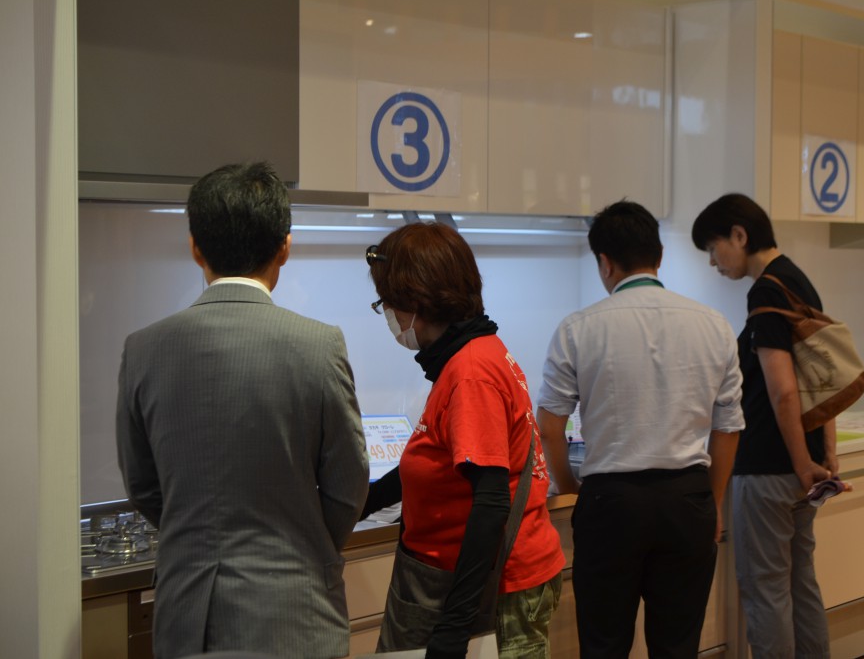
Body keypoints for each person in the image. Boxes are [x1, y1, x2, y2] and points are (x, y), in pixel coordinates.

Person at [116, 161, 370, 659]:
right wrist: (303, 548)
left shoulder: (143, 349)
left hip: (188, 616)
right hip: (297, 615)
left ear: (195, 247)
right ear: (285, 248)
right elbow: (348, 486)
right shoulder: (319, 346)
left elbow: (142, 486)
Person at [536, 200, 744, 659]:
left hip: (610, 503)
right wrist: (712, 501)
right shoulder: (714, 325)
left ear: (604, 263)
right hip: (688, 500)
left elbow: (549, 427)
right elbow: (728, 428)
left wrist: (571, 488)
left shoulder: (577, 328)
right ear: (659, 256)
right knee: (678, 646)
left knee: (604, 645)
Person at [362, 221, 565, 659]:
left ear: (415, 302)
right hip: (464, 577)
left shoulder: (470, 372)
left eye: (387, 303)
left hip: (496, 588)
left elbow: (490, 500)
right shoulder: (471, 354)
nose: (389, 315)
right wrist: (361, 503)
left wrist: (453, 628)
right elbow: (437, 462)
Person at [691, 192, 841, 659]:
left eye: (713, 248)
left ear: (739, 235)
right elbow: (824, 376)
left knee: (766, 589)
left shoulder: (767, 291)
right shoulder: (798, 281)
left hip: (768, 469)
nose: (713, 262)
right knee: (800, 582)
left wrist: (801, 463)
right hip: (801, 467)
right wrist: (823, 455)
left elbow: (783, 391)